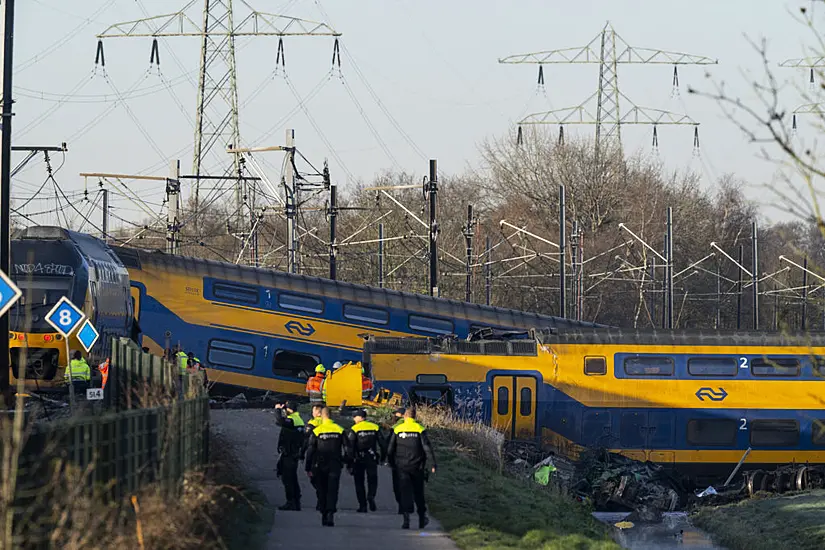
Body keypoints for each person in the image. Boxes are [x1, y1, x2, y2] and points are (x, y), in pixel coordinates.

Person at [387, 408, 437, 530]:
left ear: (404, 416)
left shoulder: (397, 429)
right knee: (418, 492)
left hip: (401, 466)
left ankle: (406, 519)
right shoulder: (420, 429)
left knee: (405, 491)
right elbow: (427, 448)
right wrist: (433, 464)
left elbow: (390, 449)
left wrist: (391, 462)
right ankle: (421, 518)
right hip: (417, 466)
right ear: (414, 417)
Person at [304, 406, 347, 527]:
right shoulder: (339, 429)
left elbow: (311, 450)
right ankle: (330, 513)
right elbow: (348, 448)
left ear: (322, 416)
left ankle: (323, 512)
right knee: (333, 490)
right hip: (335, 464)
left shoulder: (317, 431)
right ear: (331, 416)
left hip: (320, 464)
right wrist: (346, 461)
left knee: (322, 489)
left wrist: (308, 467)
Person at [346, 409, 384, 513]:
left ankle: (362, 505)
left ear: (360, 417)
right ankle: (371, 496)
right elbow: (382, 443)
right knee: (372, 479)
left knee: (359, 482)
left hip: (358, 459)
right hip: (371, 457)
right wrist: (383, 457)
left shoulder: (355, 428)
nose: (354, 419)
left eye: (355, 417)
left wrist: (349, 462)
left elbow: (350, 447)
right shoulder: (375, 427)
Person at [274, 401, 305, 511]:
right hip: (292, 453)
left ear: (289, 409)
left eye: (285, 409)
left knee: (288, 478)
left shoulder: (292, 420)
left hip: (290, 453)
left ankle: (291, 501)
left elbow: (279, 421)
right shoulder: (297, 419)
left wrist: (277, 409)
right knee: (292, 477)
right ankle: (296, 501)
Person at [304, 404, 324, 511]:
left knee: (314, 478)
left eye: (314, 411)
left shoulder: (312, 424)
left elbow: (306, 440)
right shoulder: (327, 423)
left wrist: (302, 453)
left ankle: (321, 499)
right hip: (328, 454)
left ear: (318, 412)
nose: (312, 413)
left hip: (315, 454)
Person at [388, 408, 406, 514]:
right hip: (414, 461)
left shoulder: (395, 428)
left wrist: (389, 460)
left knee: (398, 484)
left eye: (396, 415)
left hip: (397, 460)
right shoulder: (418, 427)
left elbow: (389, 446)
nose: (394, 417)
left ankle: (401, 504)